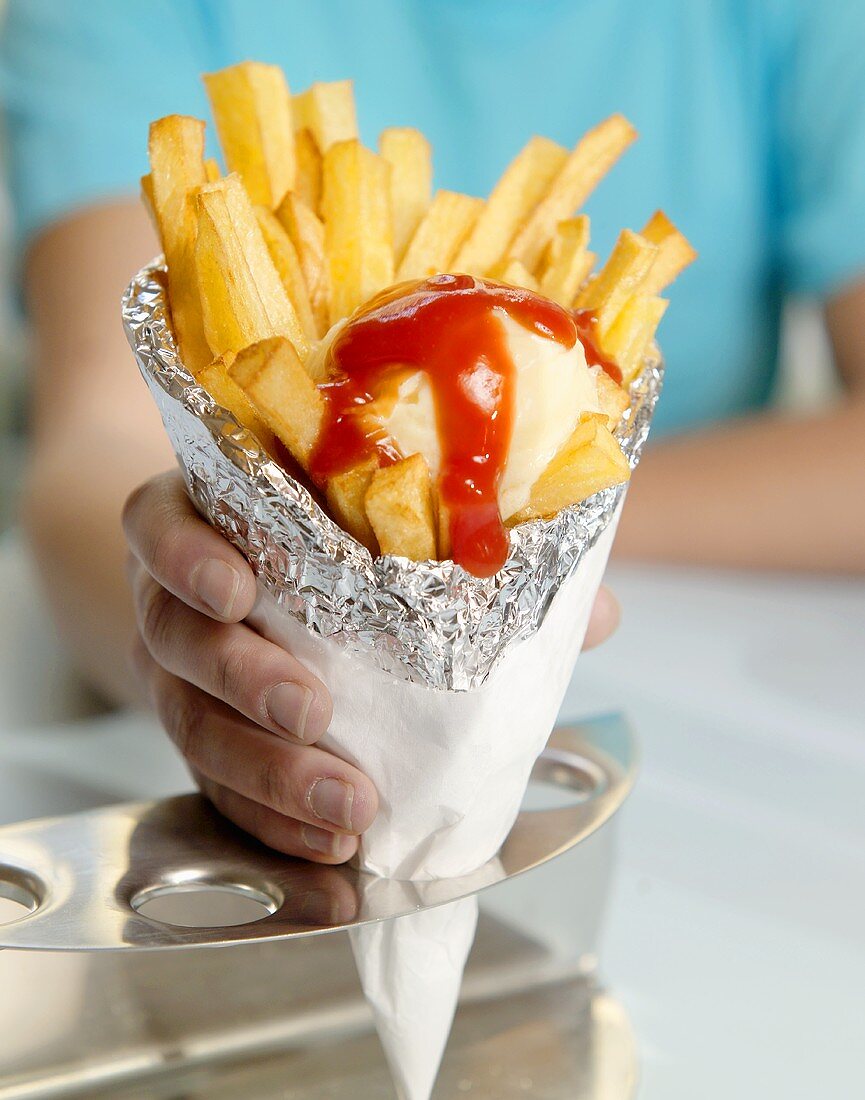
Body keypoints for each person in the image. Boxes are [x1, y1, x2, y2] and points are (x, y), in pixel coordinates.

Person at [2, 1, 864, 861]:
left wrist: (548, 542)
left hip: (726, 752)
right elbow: (97, 441)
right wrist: (190, 635)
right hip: (159, 783)